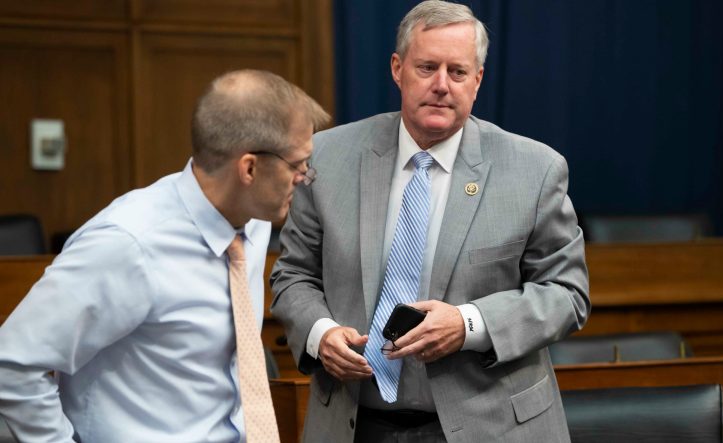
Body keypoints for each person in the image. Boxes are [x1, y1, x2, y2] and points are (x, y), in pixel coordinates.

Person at [270, 1, 590, 442]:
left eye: (457, 72)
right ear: (398, 69)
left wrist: (469, 324)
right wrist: (320, 334)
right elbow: (294, 273)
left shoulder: (534, 169)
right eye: (427, 68)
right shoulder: (327, 156)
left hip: (490, 426)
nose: (442, 85)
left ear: (477, 81)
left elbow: (566, 293)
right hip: (354, 423)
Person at [0, 69, 330, 442]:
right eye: (296, 164)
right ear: (249, 168)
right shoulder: (128, 244)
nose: (305, 176)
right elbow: (13, 364)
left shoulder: (252, 221)